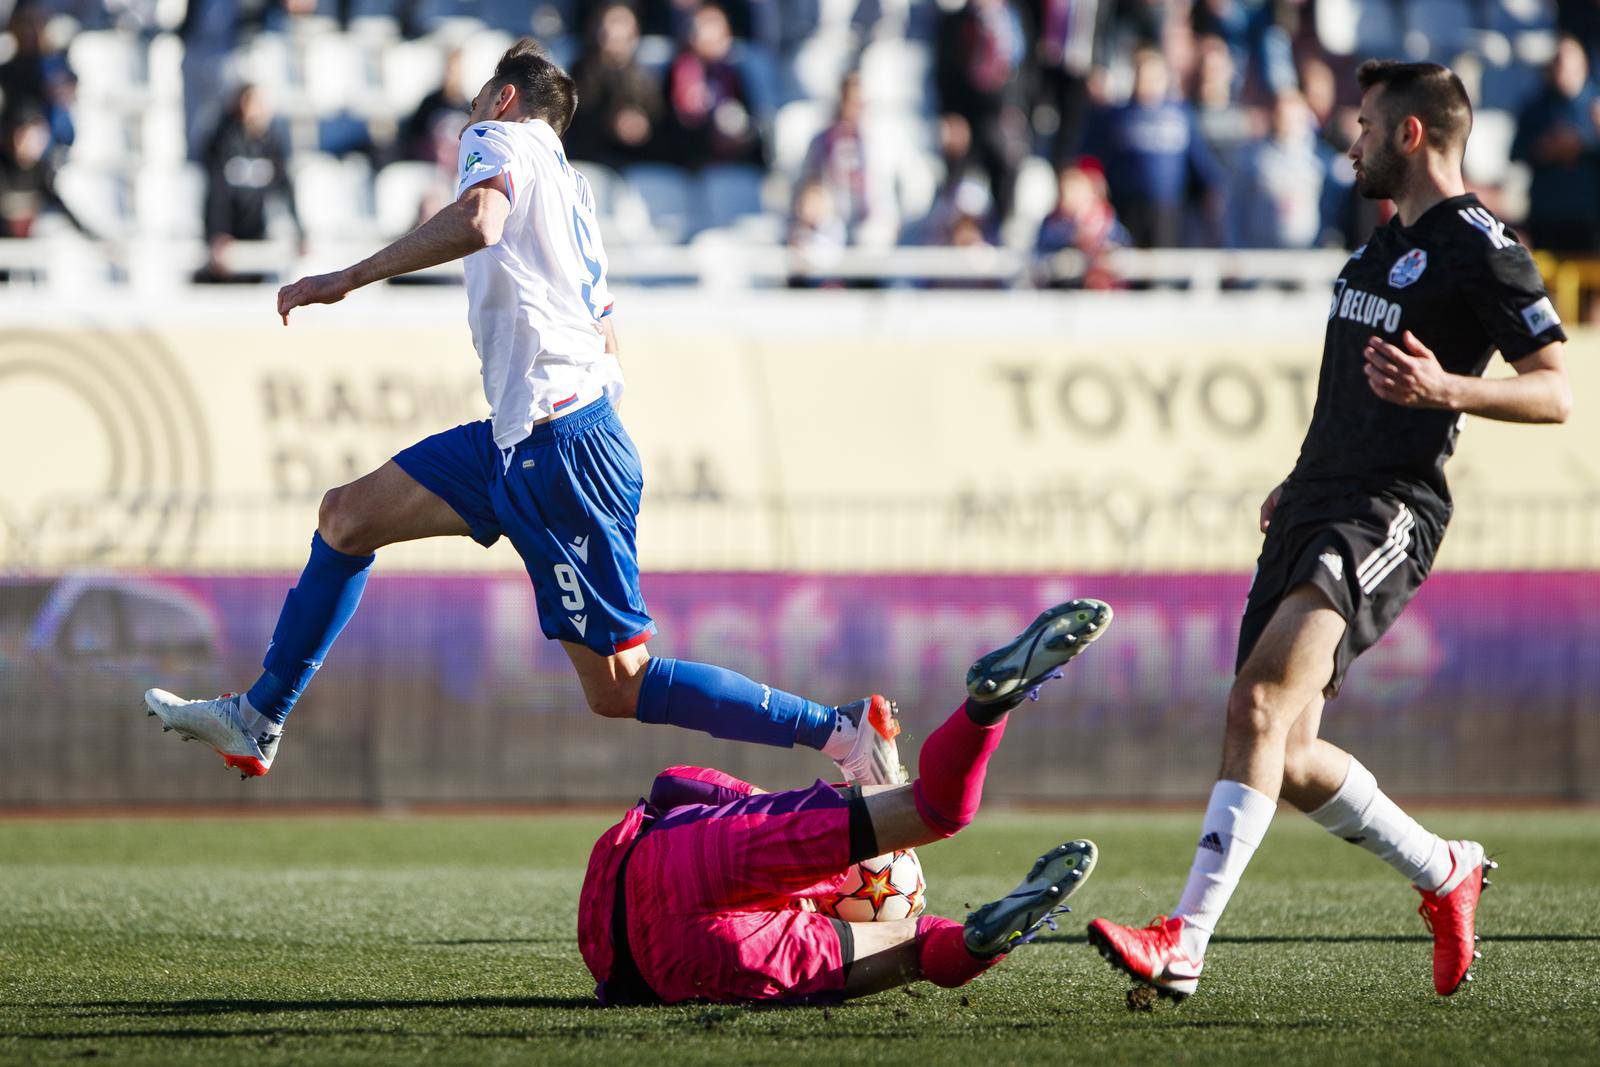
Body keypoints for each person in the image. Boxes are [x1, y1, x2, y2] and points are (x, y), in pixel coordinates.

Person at [142, 40, 900, 792]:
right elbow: (603, 321)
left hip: (559, 444)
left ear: (504, 99)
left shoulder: (495, 138)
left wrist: (349, 277)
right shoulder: (571, 188)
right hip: (524, 437)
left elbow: (479, 220)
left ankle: (840, 730)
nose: (469, 116)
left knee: (619, 686)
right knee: (345, 516)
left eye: (476, 100)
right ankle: (259, 714)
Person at [1088, 60, 1572, 1003]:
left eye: (1363, 125)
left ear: (1410, 135)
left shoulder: (1483, 245)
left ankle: (1183, 941)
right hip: (1319, 497)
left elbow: (1557, 389)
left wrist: (1447, 390)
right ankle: (1443, 869)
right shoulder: (1380, 246)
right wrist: (1297, 475)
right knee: (1290, 751)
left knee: (1257, 709)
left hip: (1387, 506)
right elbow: (1350, 387)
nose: (1349, 142)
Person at [580, 599, 1112, 1005]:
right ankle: (978, 943)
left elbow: (677, 782)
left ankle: (984, 713)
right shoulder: (812, 918)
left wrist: (760, 807)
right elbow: (674, 781)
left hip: (670, 862)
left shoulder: (797, 871)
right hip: (670, 959)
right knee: (918, 943)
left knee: (936, 817)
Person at [1082, 48, 1221, 248]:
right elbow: (1091, 154)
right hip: (1126, 205)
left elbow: (1199, 157)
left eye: (1154, 76)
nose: (1148, 83)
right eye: (1142, 76)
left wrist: (1212, 186)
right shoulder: (1116, 115)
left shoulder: (1180, 114)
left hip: (1167, 209)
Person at [198, 84, 304, 283]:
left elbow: (285, 188)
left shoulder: (272, 143)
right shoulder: (224, 140)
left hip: (257, 232)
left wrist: (300, 233)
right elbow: (216, 192)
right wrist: (217, 234)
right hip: (227, 235)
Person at [1510, 34, 1600, 253]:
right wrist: (1544, 148)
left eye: (1569, 63)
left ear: (1583, 66)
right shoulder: (1535, 108)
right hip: (1547, 213)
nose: (1563, 69)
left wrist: (1584, 144)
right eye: (1557, 62)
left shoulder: (1595, 107)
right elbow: (1516, 152)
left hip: (1588, 214)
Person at [566, 3, 667, 169]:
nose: (614, 32)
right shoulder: (582, 71)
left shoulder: (644, 77)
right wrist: (611, 123)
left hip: (636, 164)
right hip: (590, 161)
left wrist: (642, 127)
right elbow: (578, 120)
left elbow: (658, 118)